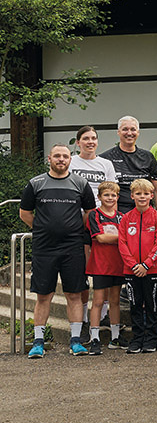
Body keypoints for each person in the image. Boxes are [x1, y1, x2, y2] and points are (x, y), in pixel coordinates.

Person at [19, 144, 97, 358]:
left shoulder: (80, 183)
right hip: (44, 248)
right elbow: (25, 213)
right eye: (57, 156)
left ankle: (76, 341)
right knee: (44, 295)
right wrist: (43, 229)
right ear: (49, 158)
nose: (61, 159)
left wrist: (73, 229)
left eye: (65, 156)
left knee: (74, 294)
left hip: (73, 247)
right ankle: (38, 342)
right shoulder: (36, 183)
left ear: (70, 159)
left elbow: (89, 212)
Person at [116, 178, 157, 355]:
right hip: (131, 271)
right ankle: (137, 339)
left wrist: (146, 264)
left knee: (151, 305)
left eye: (146, 193)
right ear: (132, 196)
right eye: (138, 193)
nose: (142, 196)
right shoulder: (126, 218)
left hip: (151, 269)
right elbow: (122, 243)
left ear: (152, 195)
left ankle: (151, 339)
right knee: (135, 305)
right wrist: (133, 265)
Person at [84, 180, 124, 355]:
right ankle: (95, 338)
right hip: (100, 265)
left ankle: (115, 337)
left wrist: (114, 238)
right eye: (106, 195)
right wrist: (122, 238)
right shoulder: (94, 215)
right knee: (99, 301)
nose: (110, 198)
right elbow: (99, 238)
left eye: (113, 195)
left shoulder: (121, 217)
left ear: (118, 197)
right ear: (99, 197)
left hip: (118, 264)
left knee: (115, 301)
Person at [103, 116, 157, 212]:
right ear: (118, 132)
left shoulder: (148, 157)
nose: (129, 133)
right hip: (118, 212)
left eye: (133, 129)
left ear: (138, 132)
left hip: (144, 211)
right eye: (125, 129)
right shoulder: (106, 158)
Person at [67, 126, 118, 206]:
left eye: (93, 138)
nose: (90, 142)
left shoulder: (107, 164)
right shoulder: (69, 162)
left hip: (100, 210)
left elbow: (113, 192)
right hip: (75, 209)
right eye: (86, 138)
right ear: (78, 142)